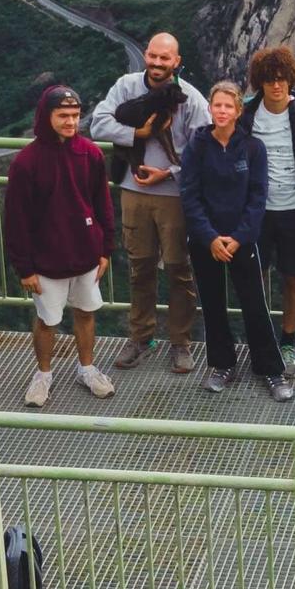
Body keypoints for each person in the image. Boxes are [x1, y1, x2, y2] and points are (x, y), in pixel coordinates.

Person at [91, 32, 205, 376]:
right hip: (133, 190)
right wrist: (138, 134)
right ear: (146, 55)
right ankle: (140, 336)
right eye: (153, 57)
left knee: (177, 269)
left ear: (176, 61)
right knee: (140, 266)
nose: (157, 64)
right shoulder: (126, 86)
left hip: (173, 194)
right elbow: (98, 123)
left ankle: (180, 342)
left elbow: (202, 150)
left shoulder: (191, 100)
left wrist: (167, 172)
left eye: (164, 59)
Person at [2, 83, 119, 409]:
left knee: (86, 312)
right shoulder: (27, 163)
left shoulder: (90, 154)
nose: (71, 122)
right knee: (47, 320)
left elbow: (103, 205)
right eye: (63, 115)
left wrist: (105, 249)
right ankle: (43, 375)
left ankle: (87, 368)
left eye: (75, 115)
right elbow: (16, 219)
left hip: (85, 254)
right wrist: (24, 267)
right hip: (45, 259)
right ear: (47, 116)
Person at [181, 79, 295, 400]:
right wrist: (211, 238)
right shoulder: (197, 146)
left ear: (238, 110)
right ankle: (222, 364)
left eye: (228, 106)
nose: (222, 111)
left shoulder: (252, 148)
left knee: (254, 305)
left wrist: (237, 238)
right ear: (210, 108)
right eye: (217, 105)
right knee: (213, 304)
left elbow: (258, 197)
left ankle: (271, 369)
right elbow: (189, 195)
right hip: (206, 242)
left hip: (243, 241)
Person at [238, 44, 295, 357]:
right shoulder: (245, 114)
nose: (276, 85)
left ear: (290, 79)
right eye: (268, 79)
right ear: (259, 82)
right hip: (256, 212)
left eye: (281, 78)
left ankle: (288, 340)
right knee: (254, 275)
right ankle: (259, 337)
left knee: (294, 276)